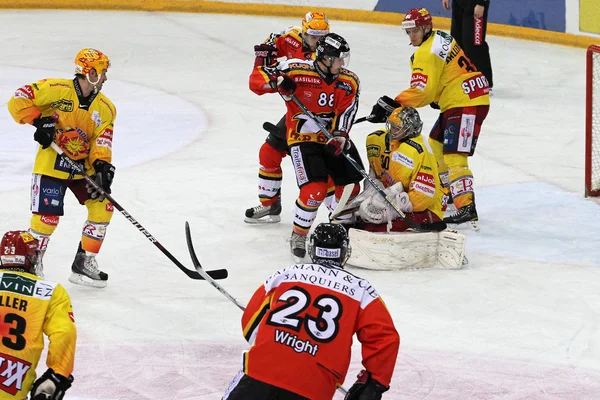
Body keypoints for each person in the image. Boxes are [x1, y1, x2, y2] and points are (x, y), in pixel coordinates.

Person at [223, 223, 400, 400]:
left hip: (258, 374)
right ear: (344, 252)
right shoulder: (362, 290)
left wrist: (278, 348)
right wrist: (374, 383)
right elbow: (384, 338)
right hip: (314, 387)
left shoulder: (286, 274)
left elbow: (250, 323)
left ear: (313, 248)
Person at [366, 8, 490, 229]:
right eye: (409, 32)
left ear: (425, 28)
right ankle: (451, 191)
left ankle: (466, 207)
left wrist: (394, 104)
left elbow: (423, 92)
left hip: (465, 102)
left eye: (415, 31)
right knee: (435, 146)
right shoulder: (441, 37)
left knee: (454, 156)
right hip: (463, 98)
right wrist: (438, 94)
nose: (411, 36)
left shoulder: (425, 52)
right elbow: (445, 75)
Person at [7, 48, 117, 287]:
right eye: (103, 72)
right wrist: (39, 120)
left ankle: (84, 262)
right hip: (52, 165)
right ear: (90, 72)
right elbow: (18, 98)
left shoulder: (106, 108)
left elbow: (102, 138)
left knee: (103, 206)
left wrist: (102, 164)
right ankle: (32, 264)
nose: (106, 77)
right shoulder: (56, 89)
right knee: (46, 218)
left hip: (81, 167)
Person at [249, 32, 364, 260]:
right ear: (326, 58)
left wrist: (340, 137)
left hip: (332, 139)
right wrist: (277, 82)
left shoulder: (349, 81)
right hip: (303, 139)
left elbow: (347, 110)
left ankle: (342, 227)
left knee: (351, 187)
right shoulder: (296, 70)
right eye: (339, 59)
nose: (343, 63)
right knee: (315, 190)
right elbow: (256, 81)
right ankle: (299, 234)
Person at [245, 12, 334, 224]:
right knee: (269, 153)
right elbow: (275, 43)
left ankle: (341, 215)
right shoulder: (293, 37)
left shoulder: (328, 55)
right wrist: (268, 51)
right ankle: (270, 205)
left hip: (318, 119)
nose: (318, 42)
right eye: (313, 37)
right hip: (296, 115)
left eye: (322, 37)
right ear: (304, 32)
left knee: (321, 170)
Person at [0, 230, 76, 399]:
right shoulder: (50, 291)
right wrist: (57, 375)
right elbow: (64, 333)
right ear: (30, 258)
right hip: (10, 386)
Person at [355, 107, 447, 232]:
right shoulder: (376, 140)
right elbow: (375, 174)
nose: (392, 131)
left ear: (411, 130)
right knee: (360, 222)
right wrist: (372, 193)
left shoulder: (419, 151)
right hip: (393, 197)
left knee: (377, 229)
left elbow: (424, 197)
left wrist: (393, 210)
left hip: (427, 208)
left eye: (397, 128)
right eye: (392, 126)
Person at [442, 0, 493, 90]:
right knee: (457, 42)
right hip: (458, 4)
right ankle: (461, 79)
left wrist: (482, 3)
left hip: (475, 4)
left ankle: (485, 82)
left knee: (474, 44)